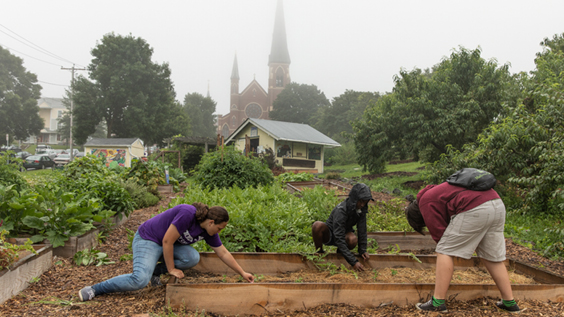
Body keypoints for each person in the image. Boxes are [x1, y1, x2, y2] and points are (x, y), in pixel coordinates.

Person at [78, 203, 254, 301]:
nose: (220, 232)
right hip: (148, 238)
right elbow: (167, 241)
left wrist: (242, 273)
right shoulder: (188, 213)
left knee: (192, 257)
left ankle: (155, 271)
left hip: (166, 244)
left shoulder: (207, 232)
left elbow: (223, 253)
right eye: (220, 228)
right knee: (139, 280)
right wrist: (170, 269)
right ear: (211, 222)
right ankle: (95, 289)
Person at [405, 182, 520, 313]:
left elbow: (441, 236)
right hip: (496, 203)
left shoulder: (425, 202)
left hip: (475, 207)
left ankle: (437, 303)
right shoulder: (436, 191)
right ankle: (509, 302)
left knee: (444, 250)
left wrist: (452, 251)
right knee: (492, 257)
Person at [311, 183, 374, 272]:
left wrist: (363, 250)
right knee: (317, 225)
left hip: (344, 235)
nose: (363, 205)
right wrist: (353, 262)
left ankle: (340, 255)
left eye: (365, 202)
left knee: (352, 239)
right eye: (361, 201)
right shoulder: (341, 210)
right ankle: (319, 253)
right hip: (330, 234)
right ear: (355, 199)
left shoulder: (361, 210)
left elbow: (362, 229)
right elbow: (338, 236)